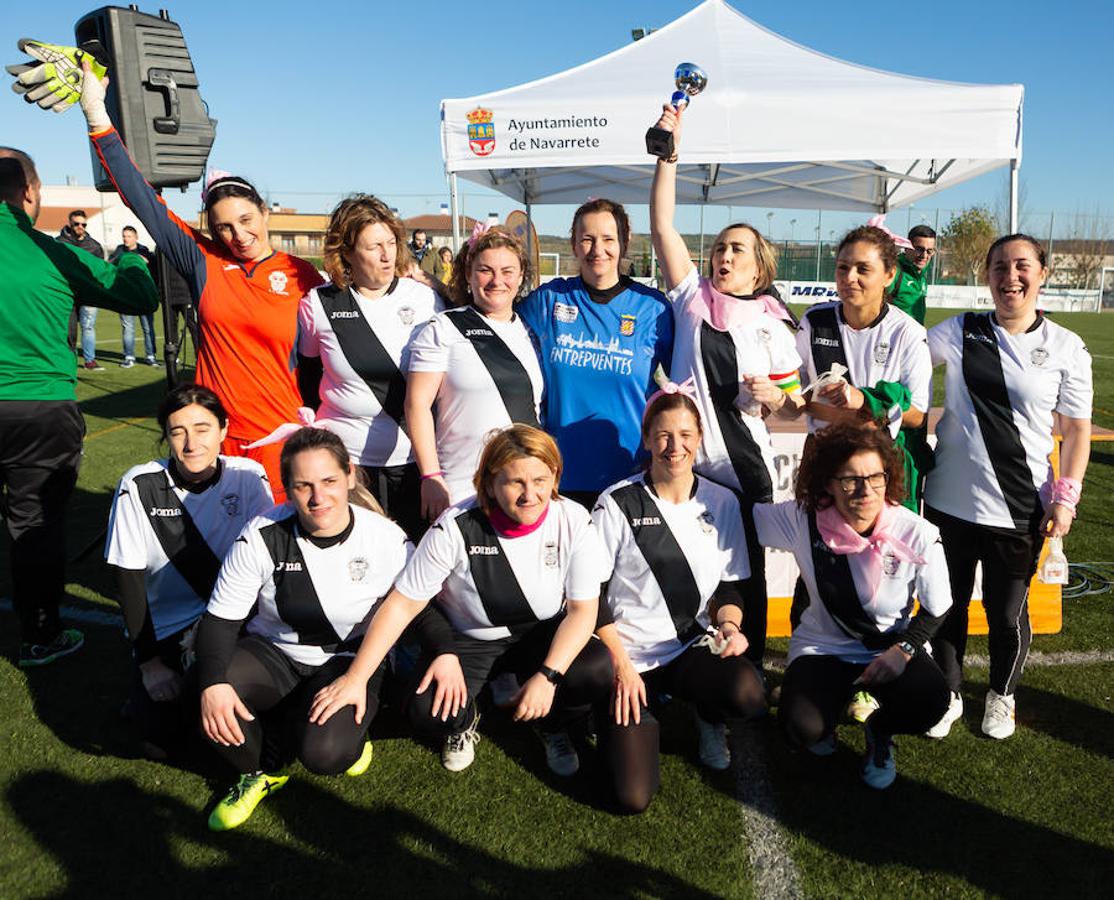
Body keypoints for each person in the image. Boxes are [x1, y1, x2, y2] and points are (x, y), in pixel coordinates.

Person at [75, 63, 324, 499]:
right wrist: (96, 113)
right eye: (224, 226)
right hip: (211, 438)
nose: (238, 235)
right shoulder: (203, 258)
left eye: (246, 219)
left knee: (281, 557)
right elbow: (140, 197)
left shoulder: (302, 274)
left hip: (279, 436)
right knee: (213, 556)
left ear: (265, 213)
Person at [309, 424, 613, 778]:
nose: (530, 494)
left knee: (595, 668)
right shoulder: (455, 526)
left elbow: (582, 612)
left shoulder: (573, 519)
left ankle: (551, 721)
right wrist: (356, 678)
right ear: (489, 483)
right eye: (515, 482)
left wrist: (548, 677)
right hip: (471, 640)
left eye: (540, 480)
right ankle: (466, 720)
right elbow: (401, 605)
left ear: (555, 477)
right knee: (427, 708)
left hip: (538, 636)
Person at [649, 103, 805, 669]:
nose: (724, 255)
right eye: (719, 247)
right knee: (682, 566)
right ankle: (679, 664)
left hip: (743, 471)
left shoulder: (773, 323)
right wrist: (670, 155)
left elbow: (793, 409)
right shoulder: (691, 299)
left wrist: (777, 399)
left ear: (757, 266)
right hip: (684, 465)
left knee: (746, 577)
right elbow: (664, 225)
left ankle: (748, 667)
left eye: (737, 249)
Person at [194, 427, 412, 831]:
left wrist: (447, 653)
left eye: (329, 481)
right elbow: (221, 620)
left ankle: (348, 729)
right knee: (210, 684)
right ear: (287, 488)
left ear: (350, 476)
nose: (317, 497)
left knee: (326, 754)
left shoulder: (385, 537)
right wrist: (212, 683)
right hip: (276, 652)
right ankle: (263, 770)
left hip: (351, 660)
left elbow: (418, 607)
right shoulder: (261, 536)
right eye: (302, 486)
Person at [924, 234, 1092, 740]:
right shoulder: (960, 330)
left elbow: (1077, 430)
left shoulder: (1065, 346)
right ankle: (948, 694)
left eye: (1021, 266)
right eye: (999, 266)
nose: (1009, 276)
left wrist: (1067, 496)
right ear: (987, 276)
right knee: (945, 606)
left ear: (1043, 273)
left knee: (1005, 614)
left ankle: (1002, 695)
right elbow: (904, 357)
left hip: (1020, 508)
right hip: (947, 502)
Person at [0, 147, 158, 666]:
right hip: (38, 406)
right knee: (35, 523)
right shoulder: (49, 251)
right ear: (29, 192)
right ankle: (41, 633)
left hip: (33, 403)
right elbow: (138, 295)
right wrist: (132, 255)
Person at [593, 388, 767, 813]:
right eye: (664, 435)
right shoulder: (617, 502)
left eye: (686, 434)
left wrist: (729, 626)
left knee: (747, 691)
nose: (675, 446)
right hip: (627, 655)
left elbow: (729, 587)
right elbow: (589, 595)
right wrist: (620, 665)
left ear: (700, 437)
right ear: (648, 438)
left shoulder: (722, 502)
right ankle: (613, 712)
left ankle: (708, 716)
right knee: (632, 797)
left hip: (688, 648)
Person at [753, 423, 952, 789]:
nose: (864, 491)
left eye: (875, 478)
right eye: (849, 480)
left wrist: (903, 650)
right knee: (802, 728)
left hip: (889, 650)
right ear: (828, 483)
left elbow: (938, 608)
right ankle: (826, 719)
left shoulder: (916, 533)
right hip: (822, 648)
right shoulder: (802, 519)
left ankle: (880, 729)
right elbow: (740, 516)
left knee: (932, 702)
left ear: (888, 478)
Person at [105, 384, 273, 757]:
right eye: (177, 432)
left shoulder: (249, 477)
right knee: (159, 741)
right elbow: (127, 581)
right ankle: (153, 689)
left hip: (230, 621)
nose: (191, 443)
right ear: (165, 436)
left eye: (202, 429)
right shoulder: (139, 485)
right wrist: (149, 664)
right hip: (166, 631)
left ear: (224, 430)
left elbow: (266, 567)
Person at [297, 194, 442, 541]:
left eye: (391, 242)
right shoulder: (319, 304)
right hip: (349, 465)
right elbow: (308, 373)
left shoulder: (424, 298)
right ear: (346, 252)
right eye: (374, 245)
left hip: (414, 463)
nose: (387, 254)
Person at [518, 198, 674, 509]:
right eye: (587, 239)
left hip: (632, 473)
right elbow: (493, 313)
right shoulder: (549, 300)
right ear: (573, 244)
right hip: (559, 476)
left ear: (624, 243)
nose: (597, 249)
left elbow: (684, 382)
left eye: (607, 239)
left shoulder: (653, 308)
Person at [405, 226, 544, 518]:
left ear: (521, 277)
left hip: (524, 490)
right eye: (485, 270)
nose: (497, 281)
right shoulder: (442, 328)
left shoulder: (532, 332)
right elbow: (416, 405)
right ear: (468, 274)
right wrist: (430, 477)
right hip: (460, 489)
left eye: (507, 271)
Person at [796, 226, 932, 508]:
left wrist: (862, 401)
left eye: (863, 269)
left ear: (889, 275)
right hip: (824, 463)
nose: (849, 278)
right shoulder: (814, 321)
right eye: (843, 267)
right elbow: (800, 397)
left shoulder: (907, 333)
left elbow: (917, 414)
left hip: (880, 469)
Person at [56, 209, 107, 371]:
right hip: (67, 293)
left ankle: (89, 361)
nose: (80, 227)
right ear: (70, 224)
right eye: (77, 224)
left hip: (88, 294)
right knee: (68, 328)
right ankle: (68, 359)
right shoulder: (59, 243)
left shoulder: (94, 246)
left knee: (88, 326)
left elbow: (101, 269)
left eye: (83, 224)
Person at [109, 225, 159, 367]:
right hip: (126, 296)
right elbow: (110, 264)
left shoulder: (144, 251)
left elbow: (155, 270)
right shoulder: (119, 250)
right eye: (124, 236)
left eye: (129, 236)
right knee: (128, 327)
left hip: (143, 295)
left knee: (148, 327)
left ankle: (151, 356)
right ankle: (129, 357)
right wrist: (119, 259)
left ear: (136, 238)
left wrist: (147, 262)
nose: (126, 239)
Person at [889, 224, 937, 325]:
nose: (924, 255)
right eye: (919, 249)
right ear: (907, 248)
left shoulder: (921, 275)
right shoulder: (894, 272)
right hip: (895, 339)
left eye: (929, 251)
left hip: (915, 338)